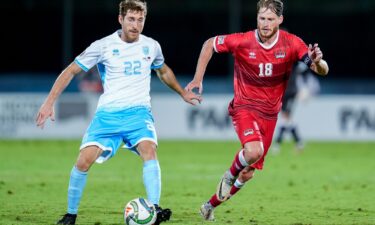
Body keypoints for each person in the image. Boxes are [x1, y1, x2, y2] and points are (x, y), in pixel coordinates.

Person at [36, 1, 201, 224]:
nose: (135, 25)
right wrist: (49, 102)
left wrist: (182, 92)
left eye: (140, 20)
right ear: (120, 19)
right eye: (131, 19)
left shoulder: (151, 46)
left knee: (149, 151)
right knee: (83, 161)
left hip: (139, 113)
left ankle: (154, 209)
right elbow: (71, 71)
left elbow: (163, 71)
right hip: (108, 115)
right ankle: (70, 214)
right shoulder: (102, 46)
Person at [185, 0, 329, 221]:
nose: (265, 23)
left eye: (270, 19)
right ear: (257, 19)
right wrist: (197, 78)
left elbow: (322, 70)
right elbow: (209, 44)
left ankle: (209, 206)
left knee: (249, 172)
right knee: (252, 152)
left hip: (270, 115)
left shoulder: (292, 43)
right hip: (245, 107)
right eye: (262, 18)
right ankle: (229, 175)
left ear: (280, 20)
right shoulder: (243, 41)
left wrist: (318, 62)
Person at [272, 61, 320, 153]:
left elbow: (305, 67)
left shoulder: (295, 63)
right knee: (287, 119)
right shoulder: (280, 63)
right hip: (282, 93)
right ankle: (298, 142)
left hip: (291, 93)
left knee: (286, 118)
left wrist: (303, 90)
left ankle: (278, 144)